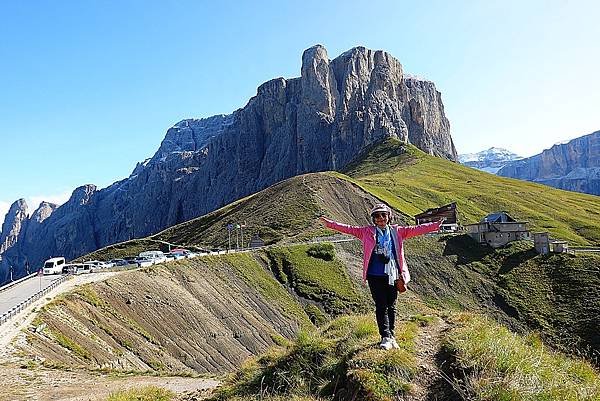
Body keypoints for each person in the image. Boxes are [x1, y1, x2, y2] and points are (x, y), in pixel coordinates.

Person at [320, 203, 443, 350]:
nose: (380, 218)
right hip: (374, 275)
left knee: (391, 306)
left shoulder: (398, 231)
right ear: (373, 219)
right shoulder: (366, 232)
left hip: (393, 275)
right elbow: (348, 229)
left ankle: (391, 335)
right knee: (381, 305)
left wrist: (435, 225)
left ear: (388, 216)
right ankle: (385, 336)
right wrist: (330, 224)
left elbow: (417, 229)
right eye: (377, 216)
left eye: (383, 215)